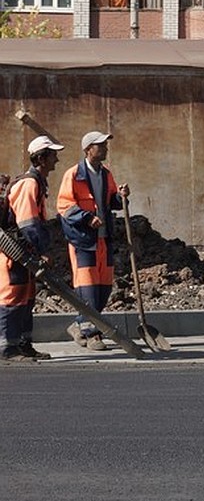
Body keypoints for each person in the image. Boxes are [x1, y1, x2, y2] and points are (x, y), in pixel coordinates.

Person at [57, 131, 129, 352]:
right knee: (87, 290)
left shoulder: (106, 174)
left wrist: (121, 196)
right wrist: (87, 218)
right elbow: (64, 206)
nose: (105, 149)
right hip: (82, 241)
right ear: (88, 149)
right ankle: (92, 333)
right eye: (101, 145)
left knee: (103, 289)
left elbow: (111, 201)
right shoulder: (73, 175)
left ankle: (79, 326)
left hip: (104, 239)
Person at [1, 135, 65, 362]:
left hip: (23, 252)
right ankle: (7, 349)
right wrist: (42, 251)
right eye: (53, 154)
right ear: (41, 158)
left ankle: (23, 345)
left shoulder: (37, 182)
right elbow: (28, 224)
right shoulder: (29, 184)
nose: (56, 159)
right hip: (13, 252)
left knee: (27, 297)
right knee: (12, 298)